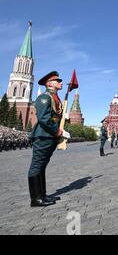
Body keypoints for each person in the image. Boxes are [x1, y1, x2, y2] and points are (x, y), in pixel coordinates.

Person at [28, 71, 70, 207]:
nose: (61, 83)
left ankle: (42, 194)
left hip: (49, 136)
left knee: (42, 166)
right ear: (49, 83)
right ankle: (35, 198)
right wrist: (58, 131)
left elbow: (55, 115)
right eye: (58, 81)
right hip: (43, 135)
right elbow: (44, 118)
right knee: (37, 165)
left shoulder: (54, 97)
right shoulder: (44, 97)